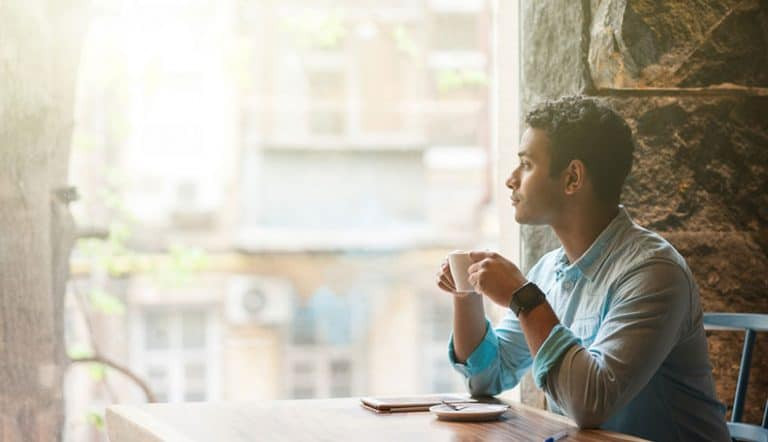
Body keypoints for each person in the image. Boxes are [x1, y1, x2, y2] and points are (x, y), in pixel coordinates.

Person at [436, 96, 729, 441]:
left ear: (573, 177)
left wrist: (523, 298)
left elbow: (591, 404)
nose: (511, 180)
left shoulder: (653, 273)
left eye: (527, 164)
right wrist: (466, 293)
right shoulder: (549, 271)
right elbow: (487, 378)